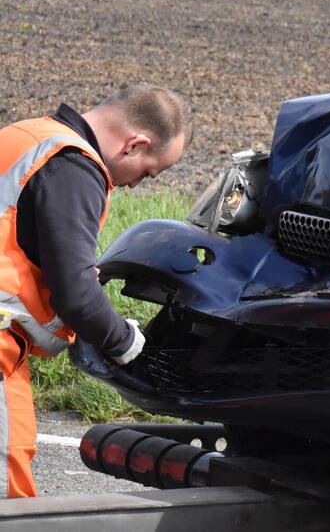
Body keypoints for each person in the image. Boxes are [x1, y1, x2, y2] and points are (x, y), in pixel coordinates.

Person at [0, 85, 190, 497]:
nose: (135, 185)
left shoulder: (25, 137)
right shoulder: (73, 167)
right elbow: (76, 292)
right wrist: (125, 343)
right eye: (147, 172)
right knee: (7, 496)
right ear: (134, 144)